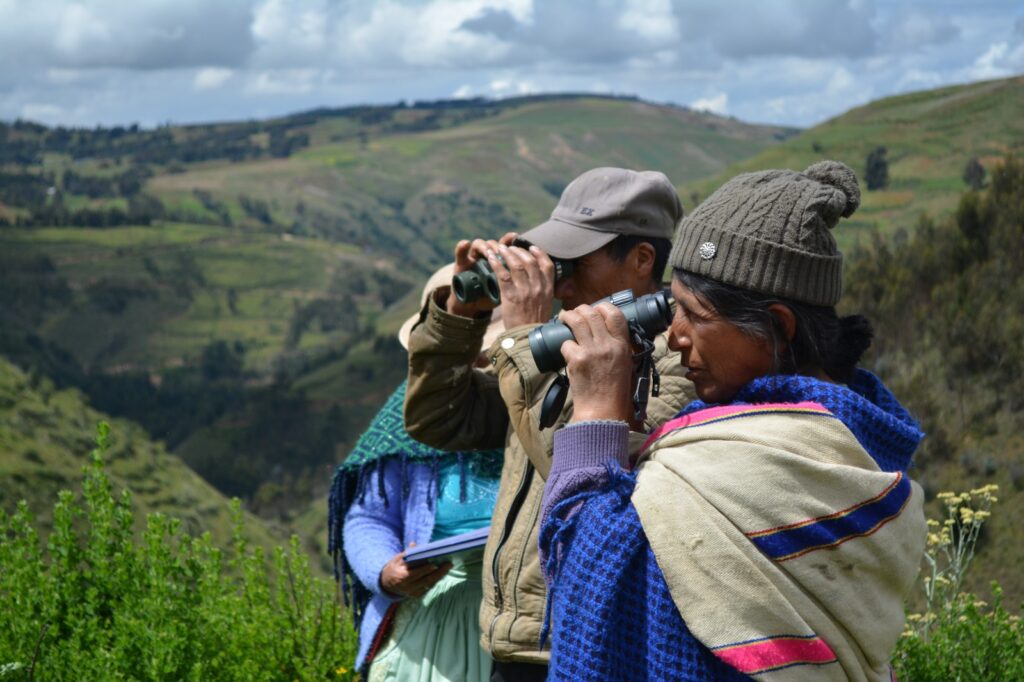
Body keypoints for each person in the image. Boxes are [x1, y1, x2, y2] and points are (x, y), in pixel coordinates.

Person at [539, 161, 928, 681]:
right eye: (669, 309)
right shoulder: (852, 438)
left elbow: (588, 587)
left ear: (777, 327)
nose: (673, 337)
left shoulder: (749, 463)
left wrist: (594, 421)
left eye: (694, 316)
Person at [403, 167, 696, 680]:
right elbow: (438, 420)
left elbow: (578, 473)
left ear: (642, 258)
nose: (560, 278)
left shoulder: (677, 358)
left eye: (574, 260)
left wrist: (522, 337)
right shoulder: (561, 344)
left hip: (589, 640)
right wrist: (461, 316)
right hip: (514, 641)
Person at [328, 264, 506, 681]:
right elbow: (368, 517)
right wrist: (387, 573)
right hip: (429, 614)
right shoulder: (404, 420)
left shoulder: (541, 401)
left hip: (517, 610)